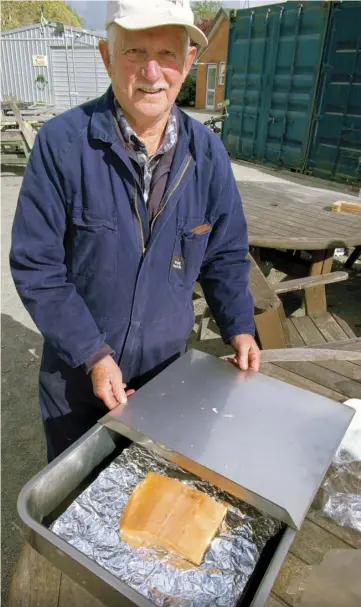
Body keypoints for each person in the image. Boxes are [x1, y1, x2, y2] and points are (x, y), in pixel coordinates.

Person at [10, 0, 260, 462]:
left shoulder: (207, 155)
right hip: (78, 377)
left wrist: (240, 326)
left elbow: (224, 253)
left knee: (152, 495)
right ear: (106, 56)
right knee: (76, 498)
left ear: (187, 62)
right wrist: (92, 354)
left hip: (167, 376)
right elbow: (37, 266)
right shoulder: (62, 145)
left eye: (167, 54)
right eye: (133, 52)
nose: (152, 71)